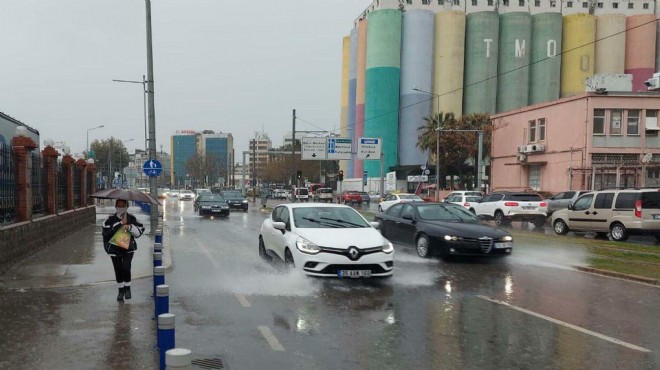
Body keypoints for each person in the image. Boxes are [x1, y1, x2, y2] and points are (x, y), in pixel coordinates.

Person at [102, 199, 145, 301]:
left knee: (126, 267)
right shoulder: (110, 219)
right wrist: (121, 223)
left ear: (127, 206)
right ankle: (120, 290)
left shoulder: (132, 218)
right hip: (114, 249)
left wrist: (129, 227)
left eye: (123, 205)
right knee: (118, 269)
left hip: (128, 248)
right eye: (119, 205)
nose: (120, 207)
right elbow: (107, 232)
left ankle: (127, 288)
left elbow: (139, 231)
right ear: (116, 206)